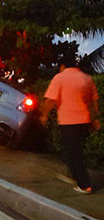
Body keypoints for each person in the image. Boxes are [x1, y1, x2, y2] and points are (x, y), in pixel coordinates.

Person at [40, 61, 100, 194]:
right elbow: (95, 103)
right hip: (84, 121)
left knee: (74, 154)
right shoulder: (87, 78)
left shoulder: (59, 78)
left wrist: (44, 116)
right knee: (73, 151)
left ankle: (84, 185)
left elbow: (50, 100)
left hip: (68, 122)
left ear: (63, 66)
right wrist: (95, 120)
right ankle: (74, 175)